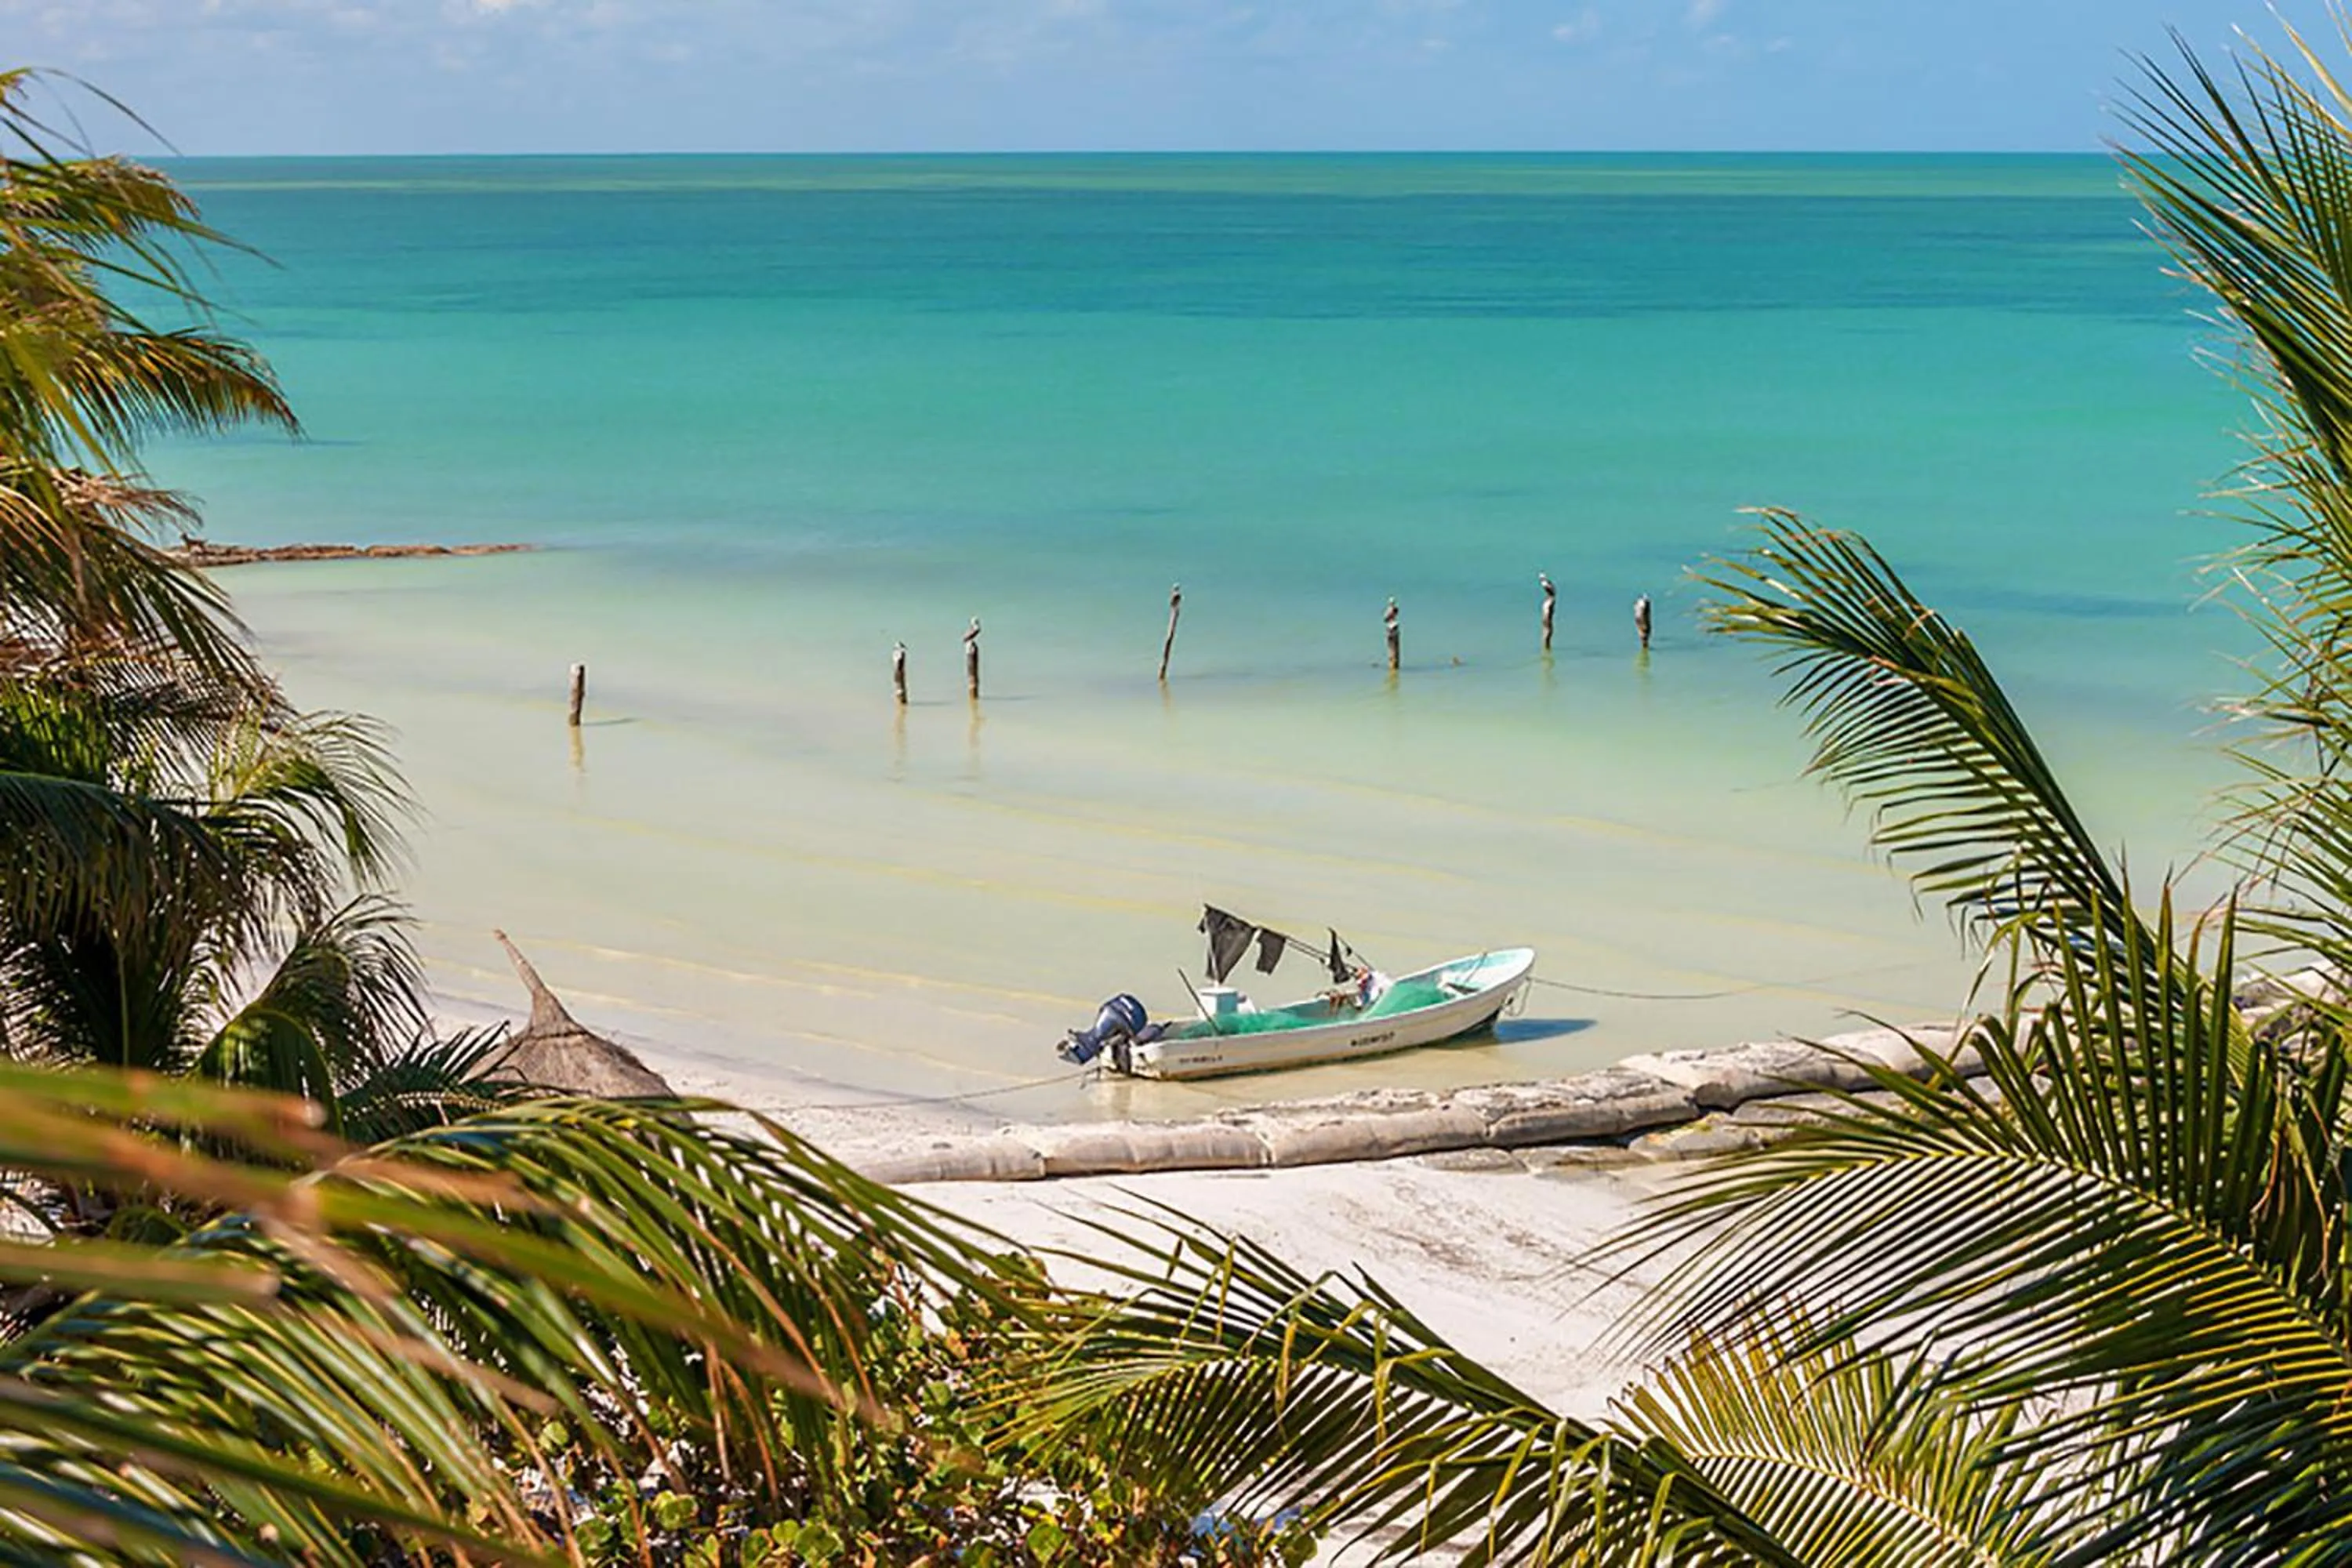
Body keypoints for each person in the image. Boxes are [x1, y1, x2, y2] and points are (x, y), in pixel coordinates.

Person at [1058, 993, 1166, 1073]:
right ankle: (1087, 1047)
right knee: (1098, 1037)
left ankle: (1087, 1046)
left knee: (1097, 1037)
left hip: (1117, 1020)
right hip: (1119, 1020)